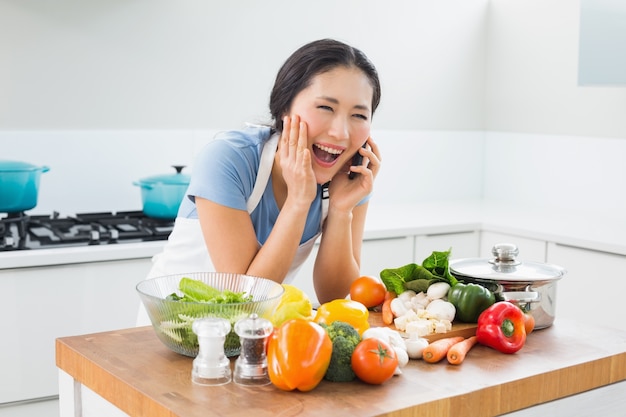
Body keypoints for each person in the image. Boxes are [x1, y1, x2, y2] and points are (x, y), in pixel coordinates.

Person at [140, 38, 381, 320]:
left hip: (252, 334)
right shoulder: (229, 159)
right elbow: (245, 298)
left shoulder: (350, 179)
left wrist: (341, 211)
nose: (340, 133)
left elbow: (334, 295)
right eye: (326, 108)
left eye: (358, 115)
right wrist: (298, 201)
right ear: (285, 108)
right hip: (172, 332)